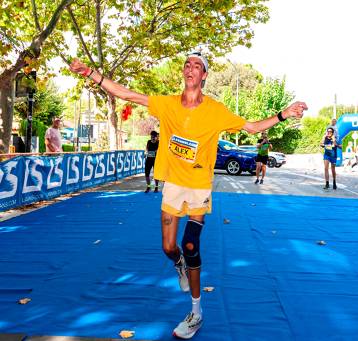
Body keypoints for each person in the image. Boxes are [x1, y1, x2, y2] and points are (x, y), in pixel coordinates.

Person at [69, 53, 307, 339]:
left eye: (197, 65)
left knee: (191, 244)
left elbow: (252, 127)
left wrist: (285, 113)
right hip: (173, 185)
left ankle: (196, 312)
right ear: (183, 73)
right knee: (169, 248)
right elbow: (126, 94)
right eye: (187, 64)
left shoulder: (216, 110)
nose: (191, 68)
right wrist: (89, 73)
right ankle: (179, 264)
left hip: (198, 186)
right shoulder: (167, 104)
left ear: (204, 75)